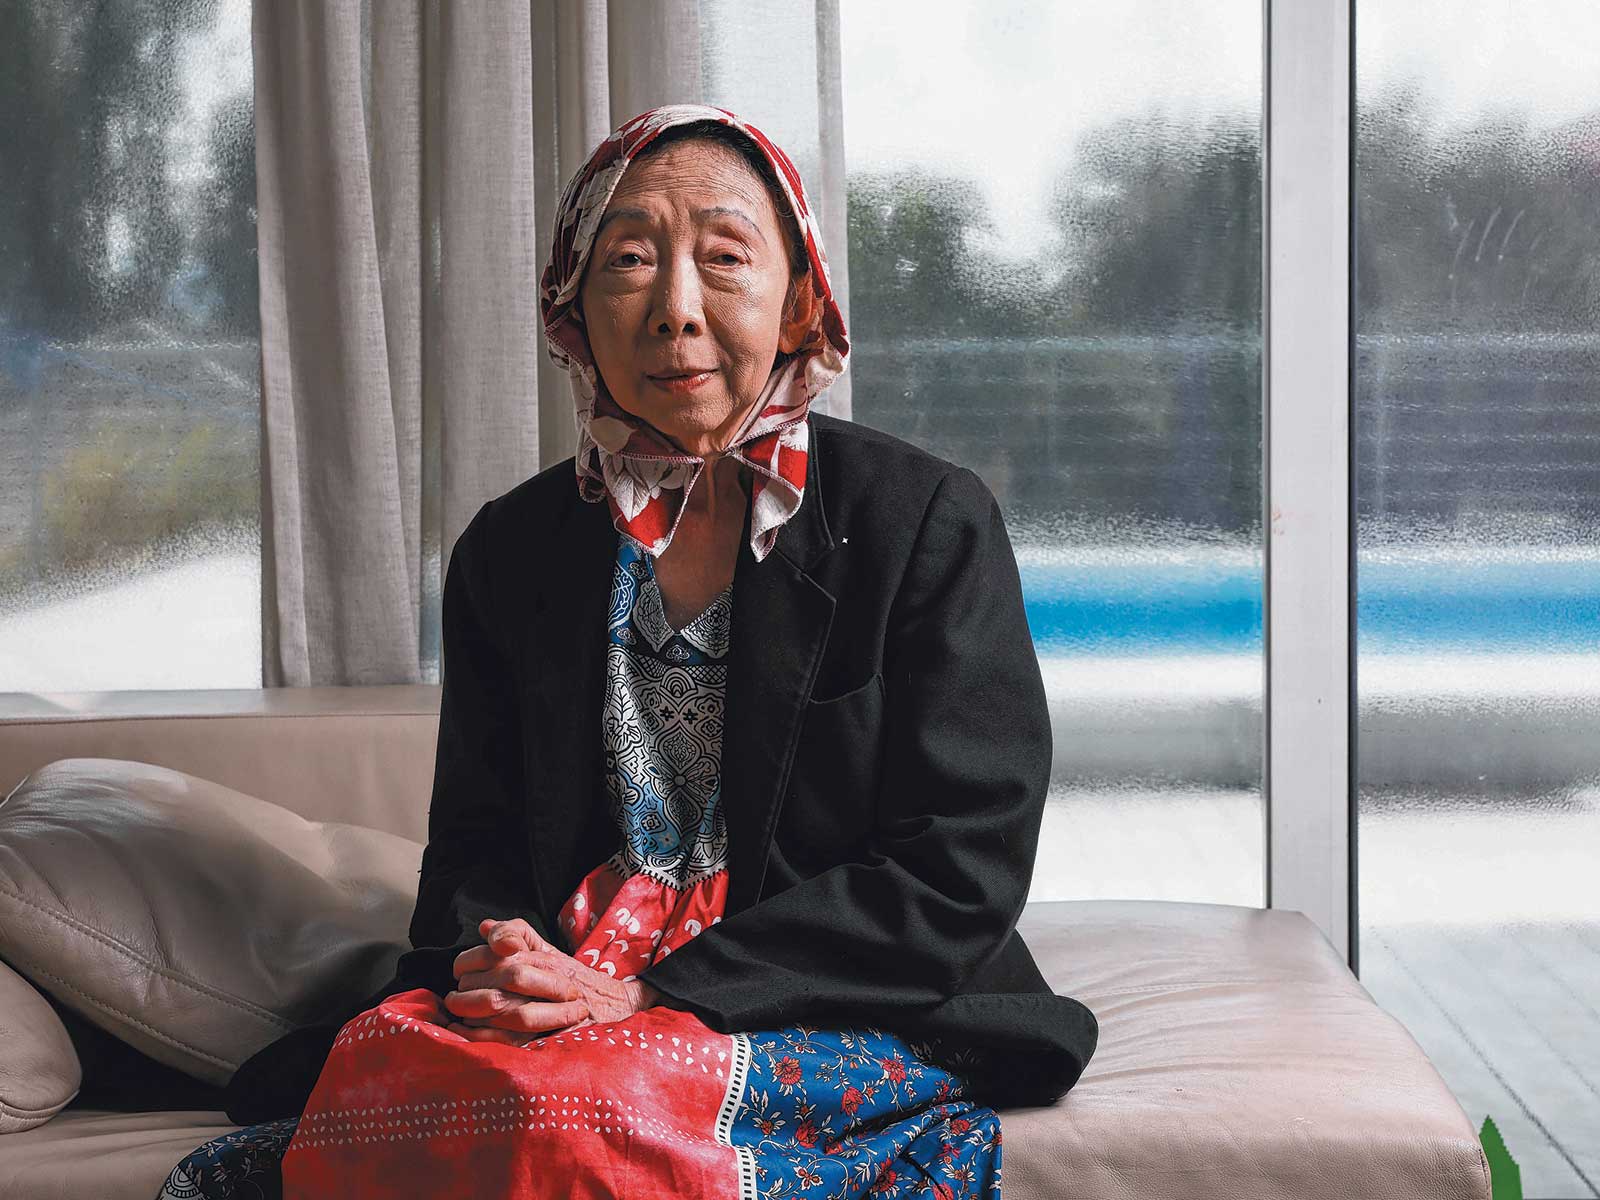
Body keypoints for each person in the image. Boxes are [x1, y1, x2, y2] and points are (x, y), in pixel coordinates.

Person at [156, 103, 1096, 1200]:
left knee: (580, 1110)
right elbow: (473, 849)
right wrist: (507, 963)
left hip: (830, 993)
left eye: (724, 258)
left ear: (800, 299)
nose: (676, 312)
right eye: (631, 261)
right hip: (574, 981)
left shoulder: (925, 521)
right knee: (382, 1083)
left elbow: (959, 867)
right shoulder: (512, 549)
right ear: (571, 308)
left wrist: (660, 997)